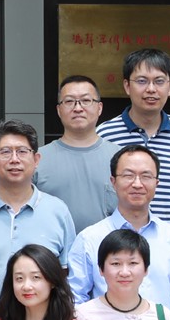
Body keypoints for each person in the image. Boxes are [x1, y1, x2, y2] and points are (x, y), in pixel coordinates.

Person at [0, 121, 80, 305]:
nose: (14, 159)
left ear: (36, 159)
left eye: (22, 151)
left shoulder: (58, 211)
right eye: (5, 152)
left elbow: (67, 274)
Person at [71, 145, 170, 314]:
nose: (137, 184)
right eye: (128, 175)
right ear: (113, 182)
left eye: (146, 176)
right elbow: (75, 299)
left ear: (156, 183)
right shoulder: (89, 238)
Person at [96, 48, 170, 225]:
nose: (151, 89)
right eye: (142, 81)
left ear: (169, 87)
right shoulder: (104, 134)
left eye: (159, 81)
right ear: (127, 86)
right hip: (121, 238)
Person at [35, 74, 118, 233]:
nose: (78, 108)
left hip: (109, 247)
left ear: (99, 108)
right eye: (69, 101)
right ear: (59, 110)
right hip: (52, 248)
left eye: (86, 100)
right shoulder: (37, 160)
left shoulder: (120, 158)